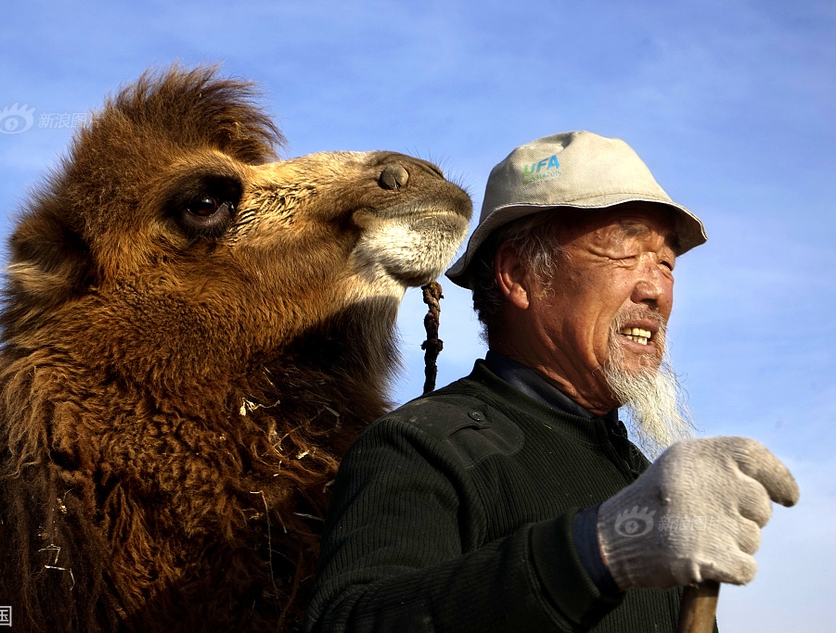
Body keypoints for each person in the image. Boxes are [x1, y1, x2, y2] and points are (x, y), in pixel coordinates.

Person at [303, 131, 799, 632]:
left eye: (666, 263)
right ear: (519, 276)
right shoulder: (423, 446)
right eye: (625, 254)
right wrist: (599, 550)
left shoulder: (643, 483)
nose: (656, 291)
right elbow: (348, 622)